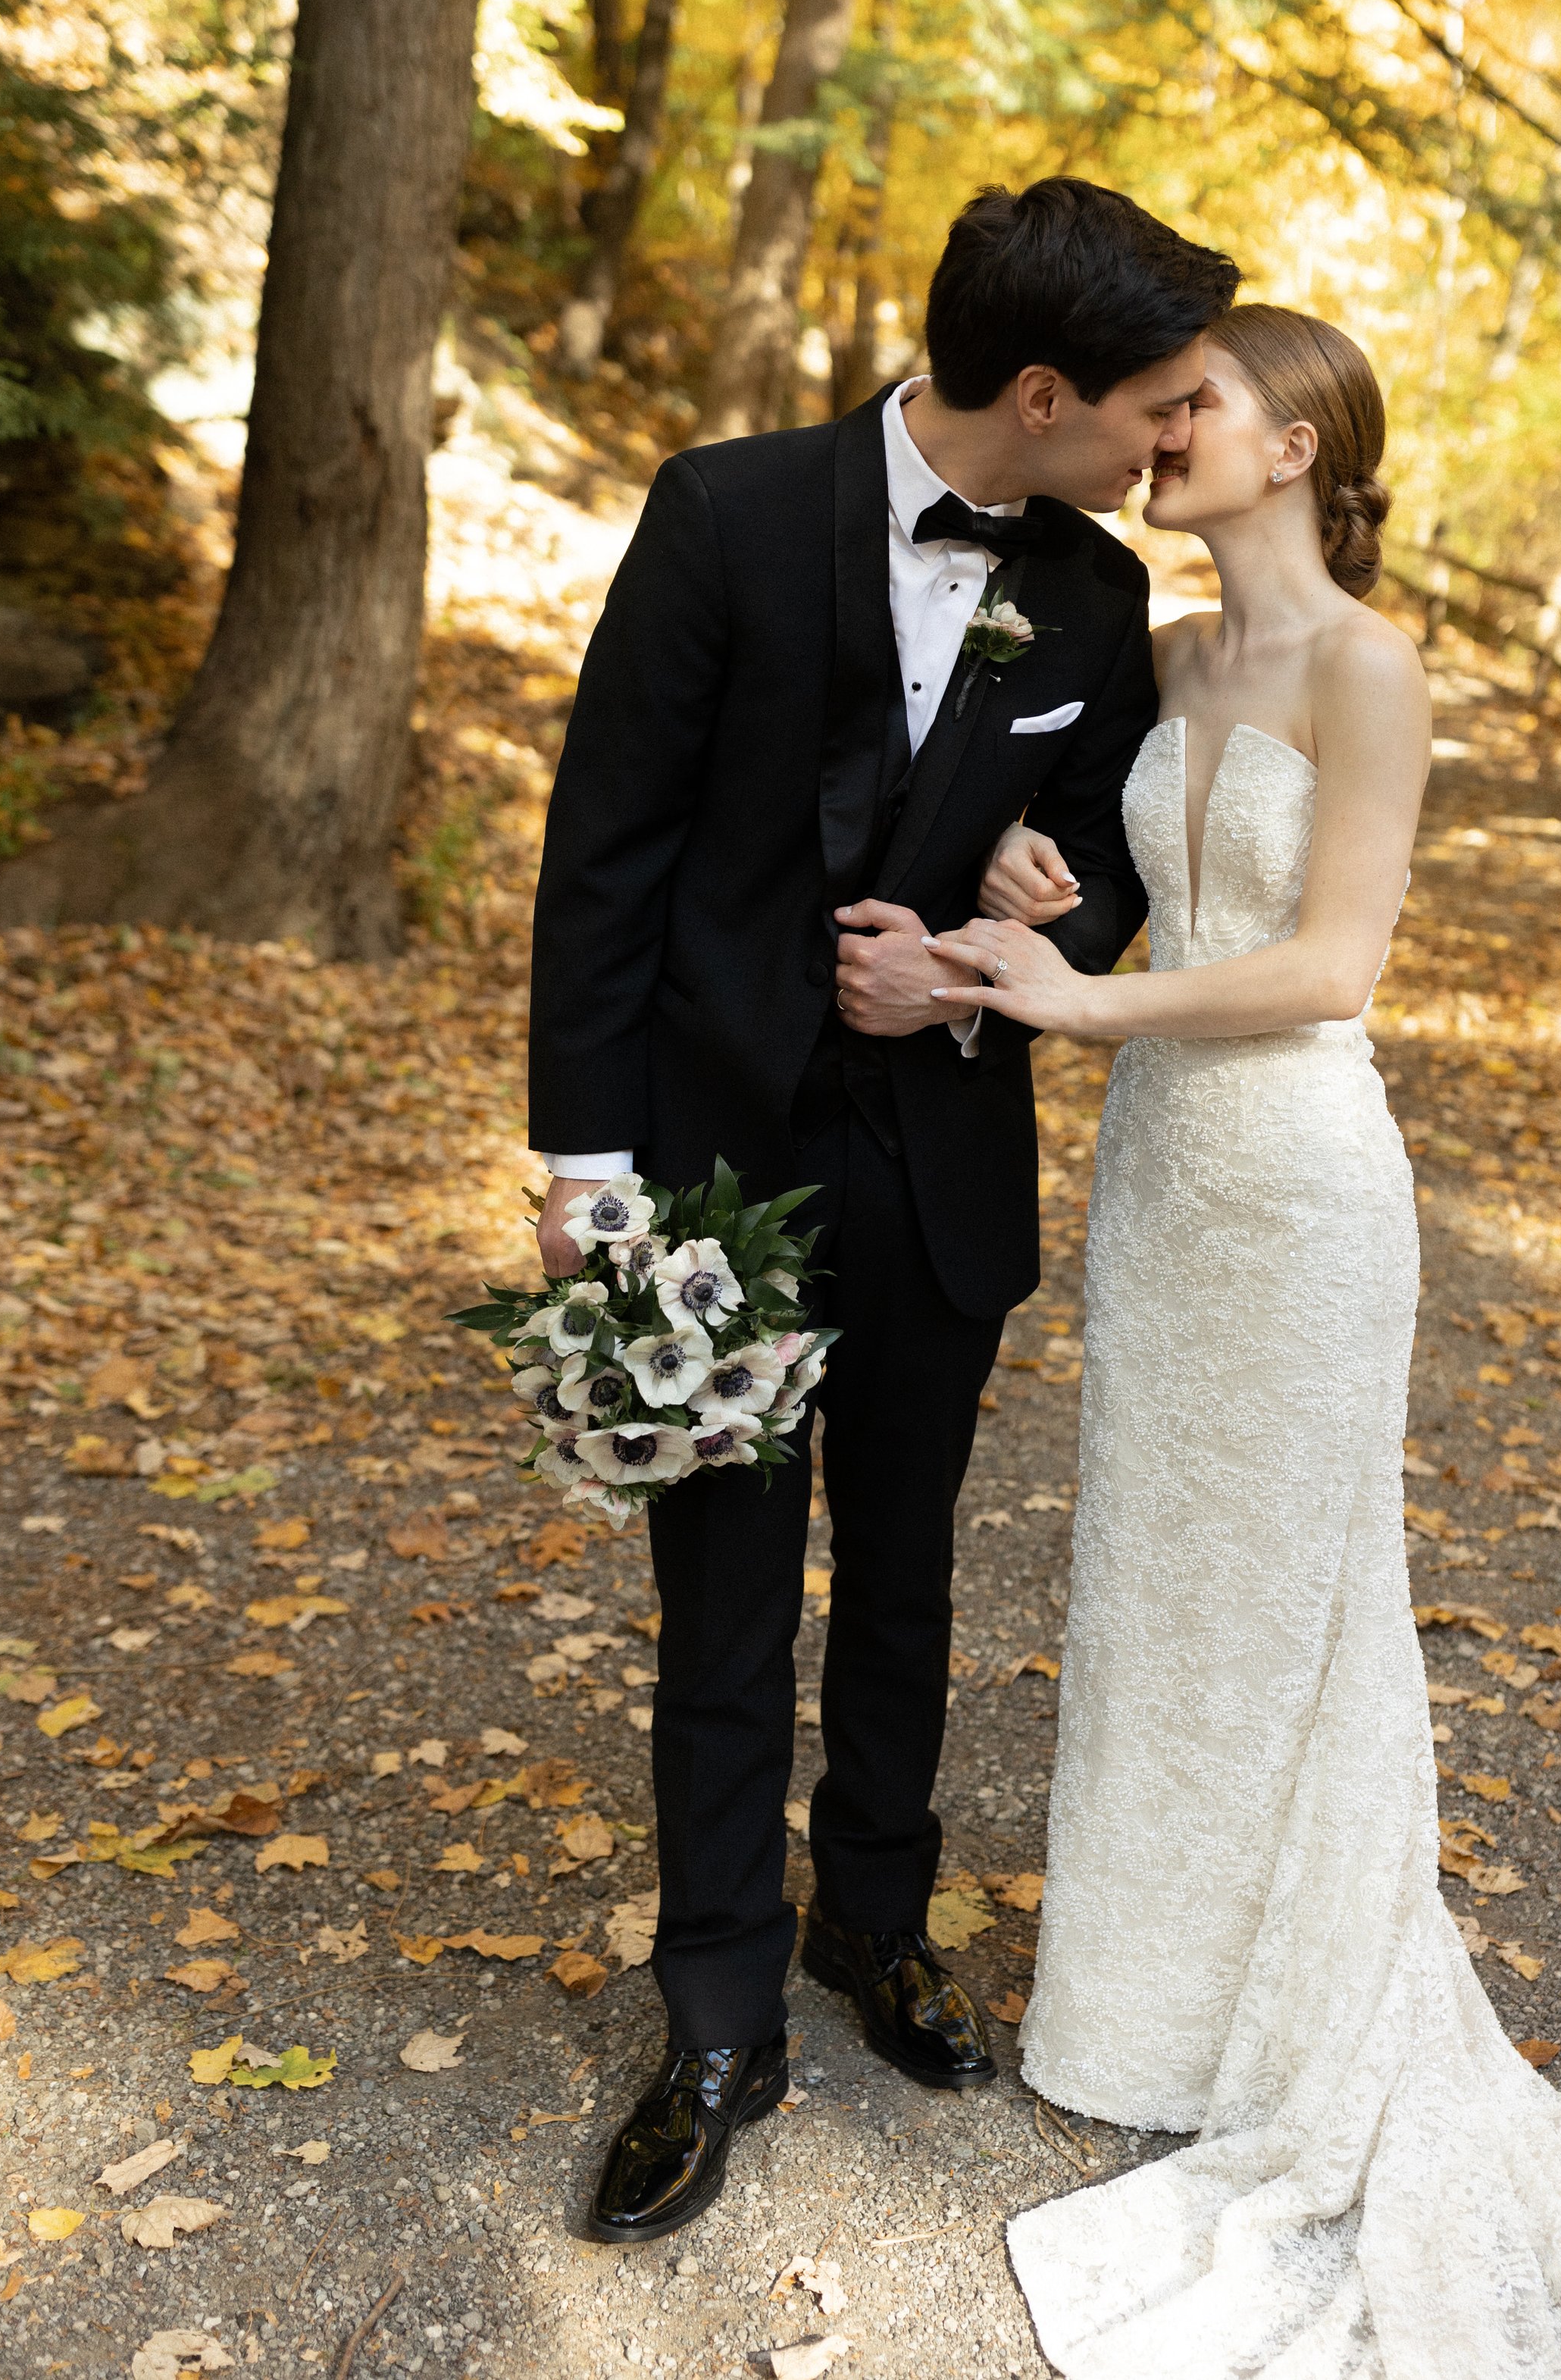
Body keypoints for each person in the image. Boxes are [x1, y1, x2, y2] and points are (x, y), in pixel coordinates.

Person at [931, 303, 1561, 2378]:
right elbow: (1118, 891)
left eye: (1196, 407)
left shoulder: (1371, 671)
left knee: (1293, 1604)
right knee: (1155, 1594)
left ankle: (1306, 2020)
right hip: (1160, 1194)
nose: (1156, 433)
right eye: (1158, 407)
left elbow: (1327, 966)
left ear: (1296, 447)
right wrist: (1045, 890)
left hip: (1297, 1193)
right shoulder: (1165, 659)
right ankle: (1140, 2018)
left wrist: (1074, 1008)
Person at [527, 176, 1240, 2241]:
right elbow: (608, 853)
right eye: (1151, 405)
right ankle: (719, 2011)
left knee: (909, 1573)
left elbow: (1107, 881)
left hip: (939, 1167)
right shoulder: (722, 511)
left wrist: (1040, 906)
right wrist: (584, 1166)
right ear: (1042, 389)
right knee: (724, 1599)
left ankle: (875, 1926)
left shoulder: (1094, 603)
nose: (1165, 440)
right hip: (708, 1170)